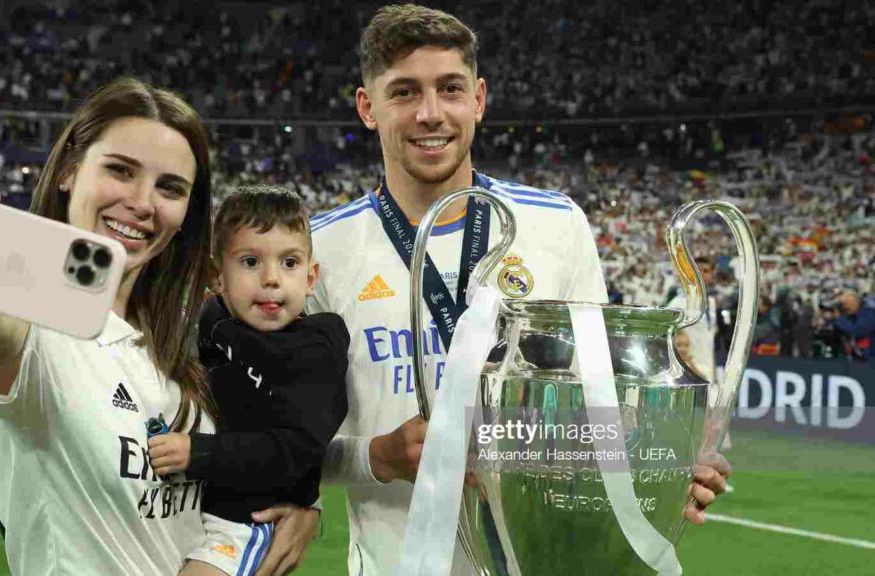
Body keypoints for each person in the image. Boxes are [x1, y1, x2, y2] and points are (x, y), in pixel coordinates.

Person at [303, 5, 732, 575]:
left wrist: (667, 463)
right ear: (367, 107)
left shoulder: (556, 225)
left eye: (449, 89)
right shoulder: (320, 251)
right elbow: (293, 450)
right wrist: (378, 457)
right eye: (404, 92)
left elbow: (604, 406)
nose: (430, 114)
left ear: (478, 99)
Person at [0, 78, 314, 576]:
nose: (143, 202)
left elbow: (235, 498)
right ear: (70, 169)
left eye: (169, 188)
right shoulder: (35, 331)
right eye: (119, 170)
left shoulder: (189, 342)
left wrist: (305, 504)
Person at [145, 186, 349, 576]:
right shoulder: (210, 321)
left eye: (289, 263)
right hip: (183, 508)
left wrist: (198, 453)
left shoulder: (316, 350)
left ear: (311, 278)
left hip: (248, 518)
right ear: (217, 277)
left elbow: (298, 450)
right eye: (251, 261)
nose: (271, 279)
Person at [831, 288, 875, 363]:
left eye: (845, 305)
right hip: (861, 357)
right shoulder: (854, 313)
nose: (844, 308)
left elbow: (857, 331)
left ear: (854, 302)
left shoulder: (869, 312)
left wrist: (839, 319)